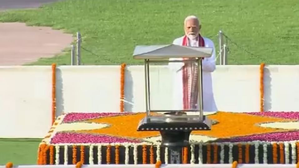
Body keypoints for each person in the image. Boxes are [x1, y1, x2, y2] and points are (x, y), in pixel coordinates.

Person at [169, 15, 217, 113]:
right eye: (189, 27)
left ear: (199, 27)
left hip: (202, 86)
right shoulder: (177, 43)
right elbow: (171, 66)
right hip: (182, 86)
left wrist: (197, 61)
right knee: (181, 115)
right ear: (184, 27)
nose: (191, 30)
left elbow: (212, 66)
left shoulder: (208, 43)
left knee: (204, 114)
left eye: (194, 27)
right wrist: (184, 60)